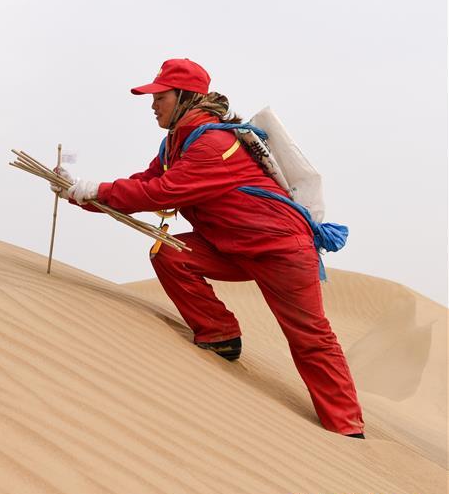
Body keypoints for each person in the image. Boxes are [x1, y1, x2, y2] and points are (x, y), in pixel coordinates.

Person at [54, 58, 365, 438]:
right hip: (230, 247)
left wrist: (95, 190)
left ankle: (348, 430)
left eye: (160, 97)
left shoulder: (215, 143)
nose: (153, 105)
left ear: (184, 97)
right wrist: (79, 191)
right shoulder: (176, 143)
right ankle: (220, 336)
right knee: (169, 252)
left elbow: (161, 192)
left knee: (310, 338)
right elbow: (146, 180)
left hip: (281, 251)